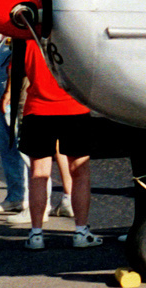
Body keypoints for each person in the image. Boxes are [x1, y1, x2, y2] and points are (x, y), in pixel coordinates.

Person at [12, 36, 101, 249]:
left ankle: (36, 234)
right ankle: (81, 231)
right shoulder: (75, 37)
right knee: (80, 172)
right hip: (75, 108)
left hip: (38, 110)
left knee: (38, 173)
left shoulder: (26, 40)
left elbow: (16, 73)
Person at [0, 32, 27, 215]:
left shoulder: (20, 35)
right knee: (7, 150)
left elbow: (19, 68)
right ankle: (15, 196)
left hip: (20, 100)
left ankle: (31, 199)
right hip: (3, 103)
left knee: (26, 151)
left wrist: (10, 92)